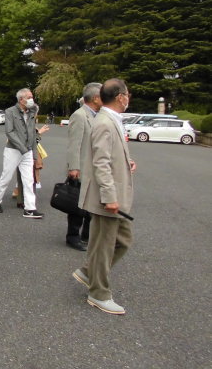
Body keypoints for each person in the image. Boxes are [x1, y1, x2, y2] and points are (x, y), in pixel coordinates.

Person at [73, 78, 136, 315]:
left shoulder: (111, 120)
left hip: (115, 194)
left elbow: (109, 155)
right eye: (127, 94)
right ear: (120, 97)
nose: (128, 98)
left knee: (123, 239)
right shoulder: (104, 122)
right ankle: (99, 293)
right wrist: (109, 196)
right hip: (107, 197)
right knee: (104, 245)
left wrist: (126, 161)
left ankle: (88, 272)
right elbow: (100, 162)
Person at [0, 88, 43, 219]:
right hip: (13, 150)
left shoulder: (32, 111)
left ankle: (30, 208)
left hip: (28, 150)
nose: (32, 100)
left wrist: (33, 153)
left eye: (32, 97)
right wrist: (22, 148)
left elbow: (32, 133)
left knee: (29, 180)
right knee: (6, 177)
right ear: (21, 99)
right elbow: (9, 132)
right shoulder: (10, 111)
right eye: (29, 97)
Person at [65, 82, 102, 251]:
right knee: (77, 205)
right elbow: (74, 144)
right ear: (95, 98)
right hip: (81, 168)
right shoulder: (79, 115)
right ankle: (73, 236)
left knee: (92, 204)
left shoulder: (98, 115)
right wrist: (74, 167)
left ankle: (87, 234)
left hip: (94, 168)